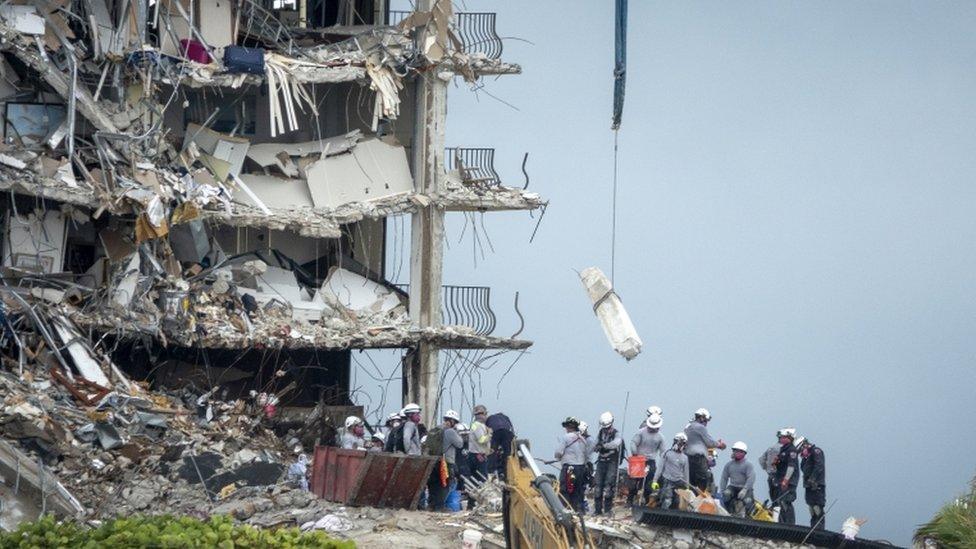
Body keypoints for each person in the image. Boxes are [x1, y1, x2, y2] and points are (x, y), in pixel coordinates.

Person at [428, 410, 464, 512]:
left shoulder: (437, 430)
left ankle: (431, 505)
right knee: (445, 484)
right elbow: (460, 444)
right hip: (446, 462)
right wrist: (457, 432)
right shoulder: (450, 431)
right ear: (452, 421)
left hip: (435, 461)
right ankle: (439, 507)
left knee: (435, 484)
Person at [684, 408, 726, 492]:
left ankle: (692, 497)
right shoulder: (700, 427)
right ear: (702, 418)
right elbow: (709, 442)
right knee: (703, 479)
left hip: (688, 457)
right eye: (706, 420)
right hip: (698, 458)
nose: (706, 423)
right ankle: (700, 498)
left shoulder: (688, 427)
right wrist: (720, 445)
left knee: (691, 479)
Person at [629, 413, 665, 506]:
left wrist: (664, 462)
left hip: (651, 461)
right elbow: (633, 443)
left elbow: (663, 452)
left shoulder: (660, 437)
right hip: (638, 459)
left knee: (649, 482)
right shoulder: (641, 432)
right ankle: (630, 500)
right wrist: (635, 453)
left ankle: (646, 499)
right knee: (634, 481)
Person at [554, 416, 589, 512]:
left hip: (569, 468)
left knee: (565, 490)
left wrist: (558, 458)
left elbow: (558, 452)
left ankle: (564, 510)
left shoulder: (566, 437)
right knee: (577, 492)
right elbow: (586, 456)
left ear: (568, 427)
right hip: (580, 469)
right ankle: (577, 512)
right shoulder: (583, 440)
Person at [592, 412, 623, 515]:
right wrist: (596, 447)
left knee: (609, 486)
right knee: (598, 487)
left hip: (611, 462)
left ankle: (608, 510)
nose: (606, 429)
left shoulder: (616, 433)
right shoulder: (600, 433)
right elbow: (594, 444)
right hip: (601, 461)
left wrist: (604, 446)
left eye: (607, 427)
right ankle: (597, 510)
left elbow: (616, 443)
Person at [654, 432, 690, 510]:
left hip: (679, 481)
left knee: (678, 501)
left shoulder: (685, 458)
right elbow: (660, 468)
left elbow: (686, 472)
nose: (680, 445)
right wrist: (655, 480)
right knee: (667, 500)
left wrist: (687, 486)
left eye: (682, 444)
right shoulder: (667, 453)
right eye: (679, 443)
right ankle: (663, 514)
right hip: (668, 480)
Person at [772, 428, 800, 524]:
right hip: (780, 480)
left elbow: (791, 466)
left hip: (788, 482)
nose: (780, 439)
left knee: (786, 501)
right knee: (780, 502)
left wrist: (786, 479)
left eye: (783, 437)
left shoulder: (792, 450)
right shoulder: (783, 449)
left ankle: (790, 524)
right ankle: (783, 523)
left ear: (789, 438)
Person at [720, 441, 756, 517]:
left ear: (744, 453)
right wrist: (722, 491)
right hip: (733, 487)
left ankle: (748, 517)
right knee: (726, 495)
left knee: (748, 501)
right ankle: (729, 514)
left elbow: (751, 478)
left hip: (745, 488)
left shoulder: (748, 465)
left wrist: (745, 489)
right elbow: (724, 478)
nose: (736, 453)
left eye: (739, 451)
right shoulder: (729, 465)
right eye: (735, 451)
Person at [800, 439, 827, 529]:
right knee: (811, 506)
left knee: (817, 506)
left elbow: (819, 466)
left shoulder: (816, 451)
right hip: (808, 485)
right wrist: (805, 458)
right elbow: (804, 469)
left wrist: (813, 478)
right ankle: (813, 526)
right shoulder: (806, 457)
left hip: (817, 484)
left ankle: (819, 527)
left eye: (800, 449)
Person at [486, 412, 515, 479]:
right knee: (507, 454)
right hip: (507, 432)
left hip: (495, 432)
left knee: (492, 453)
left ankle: (490, 472)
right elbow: (512, 429)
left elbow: (486, 431)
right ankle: (506, 473)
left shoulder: (490, 419)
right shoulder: (506, 417)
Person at [468, 405, 492, 485]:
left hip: (476, 455)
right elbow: (481, 440)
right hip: (478, 456)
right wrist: (489, 434)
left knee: (476, 478)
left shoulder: (477, 425)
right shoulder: (478, 426)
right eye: (485, 414)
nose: (486, 416)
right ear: (481, 415)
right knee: (482, 478)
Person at [760, 431, 786, 502]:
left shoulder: (770, 448)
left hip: (770, 476)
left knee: (773, 499)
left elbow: (761, 460)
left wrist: (767, 469)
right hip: (780, 477)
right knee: (781, 500)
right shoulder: (784, 449)